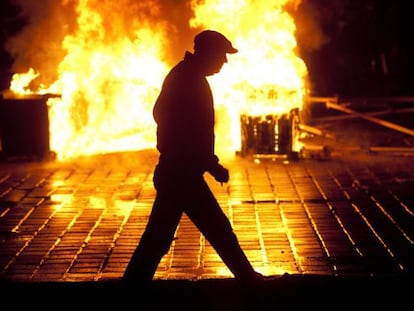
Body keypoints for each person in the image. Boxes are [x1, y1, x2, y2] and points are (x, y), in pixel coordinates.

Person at [123, 29, 263, 285]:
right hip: (181, 174)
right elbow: (185, 129)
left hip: (178, 172)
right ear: (208, 53)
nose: (225, 61)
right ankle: (249, 280)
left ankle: (132, 285)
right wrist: (210, 164)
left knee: (160, 237)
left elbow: (166, 116)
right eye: (222, 55)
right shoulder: (188, 80)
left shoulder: (187, 77)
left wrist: (208, 162)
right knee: (216, 229)